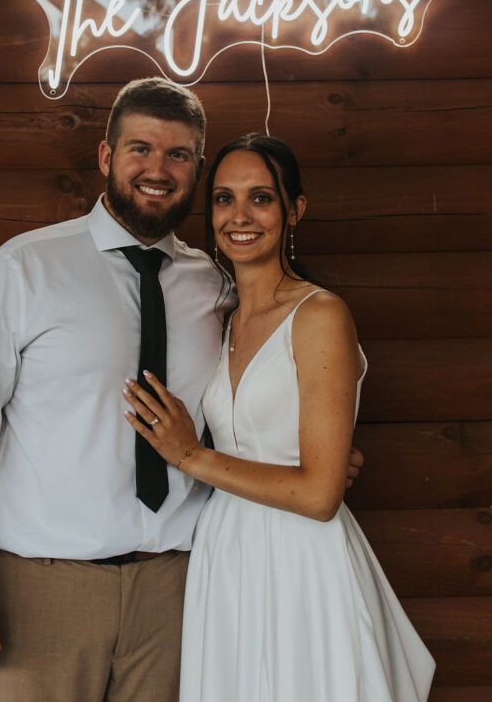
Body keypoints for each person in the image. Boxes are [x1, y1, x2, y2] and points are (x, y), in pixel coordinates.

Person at [0, 78, 363, 702]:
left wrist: (309, 458)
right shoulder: (25, 269)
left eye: (178, 154)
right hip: (41, 590)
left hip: (180, 591)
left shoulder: (215, 287)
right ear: (106, 157)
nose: (158, 169)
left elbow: (253, 403)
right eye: (140, 149)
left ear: (196, 169)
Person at [123, 133, 435, 702]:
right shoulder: (224, 318)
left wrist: (190, 455)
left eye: (260, 198)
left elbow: (319, 496)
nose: (239, 216)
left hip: (299, 558)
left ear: (295, 210)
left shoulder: (320, 315)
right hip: (226, 552)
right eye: (223, 199)